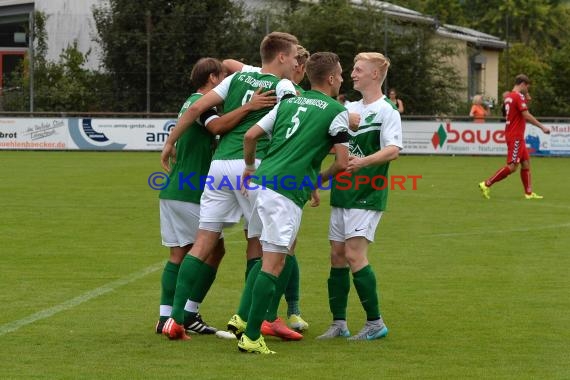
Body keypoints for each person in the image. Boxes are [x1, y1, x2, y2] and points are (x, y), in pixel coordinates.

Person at [160, 31, 300, 341]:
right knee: (259, 244)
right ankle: (249, 320)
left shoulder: (237, 80)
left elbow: (196, 110)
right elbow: (294, 127)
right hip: (254, 167)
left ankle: (176, 320)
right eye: (293, 57)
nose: (295, 62)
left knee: (203, 242)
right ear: (281, 57)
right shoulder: (284, 86)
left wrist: (170, 141)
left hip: (219, 166)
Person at [234, 51, 349, 354]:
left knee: (265, 259)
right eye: (341, 73)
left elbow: (250, 136)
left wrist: (249, 167)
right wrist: (316, 182)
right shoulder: (336, 110)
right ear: (332, 78)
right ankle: (252, 335)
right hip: (284, 193)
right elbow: (341, 162)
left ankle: (246, 321)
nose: (343, 78)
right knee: (274, 262)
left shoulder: (289, 101)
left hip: (262, 184)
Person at [223, 45, 312, 333]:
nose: (300, 69)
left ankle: (265, 313)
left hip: (272, 176)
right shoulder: (287, 93)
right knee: (277, 250)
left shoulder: (297, 96)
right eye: (298, 63)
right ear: (293, 64)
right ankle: (267, 317)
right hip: (277, 179)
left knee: (277, 248)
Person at [317, 52, 402, 341]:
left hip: (367, 193)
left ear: (375, 74)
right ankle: (339, 323)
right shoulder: (349, 107)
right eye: (352, 69)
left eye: (358, 69)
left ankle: (375, 323)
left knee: (354, 255)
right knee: (337, 256)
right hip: (342, 192)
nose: (352, 74)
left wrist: (362, 162)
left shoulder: (387, 110)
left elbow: (393, 149)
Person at [478, 74, 551, 200]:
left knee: (526, 163)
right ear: (522, 84)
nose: (527, 90)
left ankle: (528, 193)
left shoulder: (509, 97)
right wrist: (542, 127)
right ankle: (486, 184)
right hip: (515, 135)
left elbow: (516, 109)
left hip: (516, 135)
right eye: (527, 87)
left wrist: (526, 97)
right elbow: (526, 115)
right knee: (512, 167)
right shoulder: (517, 96)